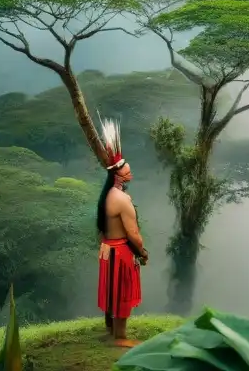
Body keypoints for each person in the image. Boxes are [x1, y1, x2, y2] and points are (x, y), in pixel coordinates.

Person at [95, 117, 147, 347]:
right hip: (120, 252)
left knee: (110, 291)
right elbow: (133, 233)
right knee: (121, 292)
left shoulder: (107, 195)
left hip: (108, 249)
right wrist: (142, 252)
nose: (131, 173)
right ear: (118, 175)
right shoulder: (121, 199)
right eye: (128, 171)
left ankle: (110, 330)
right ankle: (120, 338)